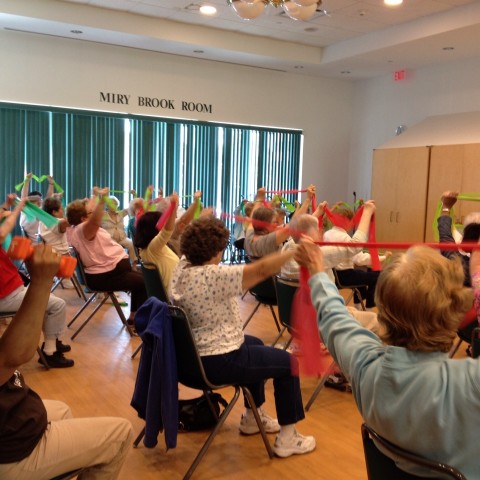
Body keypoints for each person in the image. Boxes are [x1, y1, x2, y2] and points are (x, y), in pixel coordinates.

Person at [295, 222, 479, 477]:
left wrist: (316, 270)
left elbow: (332, 315)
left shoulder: (365, 366)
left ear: (382, 310)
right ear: (455, 309)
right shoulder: (471, 383)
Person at [170, 216, 316, 458]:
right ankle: (288, 438)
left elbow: (183, 235)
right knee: (289, 363)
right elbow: (260, 269)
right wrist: (296, 251)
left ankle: (253, 416)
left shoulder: (181, 268)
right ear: (215, 252)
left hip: (192, 360)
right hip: (219, 360)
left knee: (255, 344)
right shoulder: (211, 277)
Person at [0, 242, 133, 479]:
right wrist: (40, 282)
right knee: (120, 433)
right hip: (9, 451)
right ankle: (51, 350)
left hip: (13, 414)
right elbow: (12, 358)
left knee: (62, 410)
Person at [0, 195, 74, 368]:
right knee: (58, 305)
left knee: (49, 302)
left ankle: (53, 340)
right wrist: (17, 208)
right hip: (6, 296)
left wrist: (8, 205)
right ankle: (50, 352)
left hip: (11, 290)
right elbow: (3, 232)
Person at [66, 187, 147, 329]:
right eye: (91, 212)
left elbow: (89, 212)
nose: (98, 213)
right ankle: (139, 322)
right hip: (105, 276)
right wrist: (102, 200)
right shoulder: (83, 229)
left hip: (110, 273)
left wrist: (96, 196)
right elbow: (94, 221)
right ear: (84, 218)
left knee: (142, 280)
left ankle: (134, 317)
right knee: (144, 283)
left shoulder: (78, 228)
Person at [323, 201, 389, 309]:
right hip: (344, 276)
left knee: (360, 273)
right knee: (378, 275)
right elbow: (360, 259)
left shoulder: (327, 234)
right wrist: (383, 257)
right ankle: (369, 307)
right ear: (345, 219)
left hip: (332, 275)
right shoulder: (345, 238)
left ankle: (359, 305)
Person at [244, 185, 315, 259]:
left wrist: (259, 199)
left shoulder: (249, 236)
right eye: (274, 222)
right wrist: (307, 200)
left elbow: (253, 219)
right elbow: (294, 223)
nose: (276, 225)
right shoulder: (267, 241)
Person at [134, 192, 180, 292]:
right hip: (175, 293)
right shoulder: (153, 248)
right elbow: (167, 231)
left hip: (176, 288)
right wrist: (173, 207)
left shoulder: (146, 249)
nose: (163, 224)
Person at [101, 194, 138, 270]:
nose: (113, 205)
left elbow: (132, 207)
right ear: (107, 205)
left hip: (122, 238)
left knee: (130, 243)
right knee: (117, 248)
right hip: (110, 240)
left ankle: (134, 265)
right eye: (111, 204)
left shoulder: (121, 213)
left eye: (115, 204)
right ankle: (117, 266)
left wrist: (134, 195)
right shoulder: (103, 215)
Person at [19, 172, 55, 242]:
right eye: (38, 201)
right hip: (36, 246)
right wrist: (27, 181)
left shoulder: (27, 211)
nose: (40, 202)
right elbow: (24, 197)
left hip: (35, 245)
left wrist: (51, 184)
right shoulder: (27, 211)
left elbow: (48, 199)